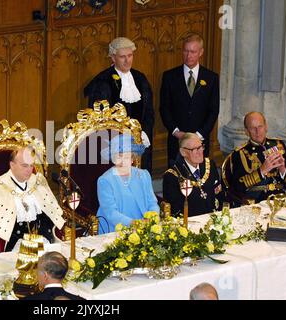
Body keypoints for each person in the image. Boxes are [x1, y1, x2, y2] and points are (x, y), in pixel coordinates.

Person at [0, 147, 66, 252]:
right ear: (12, 165)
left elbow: (51, 215)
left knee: (61, 262)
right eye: (24, 166)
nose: (29, 170)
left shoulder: (38, 182)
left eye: (31, 165)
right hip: (16, 245)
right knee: (38, 265)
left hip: (44, 239)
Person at [84, 37, 155, 174]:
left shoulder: (140, 78)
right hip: (115, 145)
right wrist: (121, 141)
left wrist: (143, 133)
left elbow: (149, 111)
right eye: (122, 57)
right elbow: (100, 120)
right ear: (113, 57)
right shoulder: (103, 82)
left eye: (130, 56)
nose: (127, 60)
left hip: (140, 140)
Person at [160, 33, 220, 167]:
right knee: (176, 177)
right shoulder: (169, 76)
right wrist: (176, 131)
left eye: (193, 51)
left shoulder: (211, 78)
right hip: (177, 140)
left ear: (201, 52)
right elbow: (164, 107)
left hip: (200, 141)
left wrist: (199, 134)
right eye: (186, 51)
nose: (189, 55)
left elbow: (213, 110)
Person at [97, 134, 160, 234]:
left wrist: (152, 217)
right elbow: (111, 213)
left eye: (126, 157)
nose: (122, 161)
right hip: (115, 230)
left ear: (132, 158)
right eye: (119, 156)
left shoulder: (143, 175)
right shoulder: (105, 180)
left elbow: (152, 203)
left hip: (145, 228)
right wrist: (134, 223)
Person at [230, 111, 286, 203]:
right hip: (257, 201)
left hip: (281, 198)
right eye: (253, 128)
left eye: (260, 126)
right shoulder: (240, 153)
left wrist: (282, 170)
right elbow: (237, 187)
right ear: (246, 132)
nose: (257, 131)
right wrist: (262, 171)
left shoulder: (278, 145)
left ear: (266, 127)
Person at [162, 133, 223, 217]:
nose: (200, 151)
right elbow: (175, 211)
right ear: (183, 152)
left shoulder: (210, 165)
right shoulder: (172, 176)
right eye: (195, 149)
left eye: (201, 147)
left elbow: (219, 195)